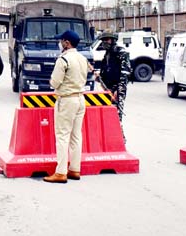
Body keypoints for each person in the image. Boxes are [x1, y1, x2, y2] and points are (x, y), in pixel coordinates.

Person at [43, 29, 89, 184]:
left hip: (67, 100)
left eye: (61, 41)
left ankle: (60, 172)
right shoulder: (83, 58)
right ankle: (75, 169)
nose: (59, 43)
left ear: (66, 43)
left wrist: (52, 82)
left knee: (62, 136)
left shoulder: (63, 60)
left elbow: (55, 82)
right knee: (76, 136)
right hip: (80, 99)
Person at [94, 31, 131, 140]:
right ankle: (110, 139)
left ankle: (121, 140)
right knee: (107, 116)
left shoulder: (121, 53)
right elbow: (105, 73)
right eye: (103, 40)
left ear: (113, 40)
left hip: (117, 90)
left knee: (116, 116)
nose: (105, 42)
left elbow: (125, 74)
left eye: (107, 40)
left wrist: (118, 90)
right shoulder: (106, 55)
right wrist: (98, 76)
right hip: (107, 90)